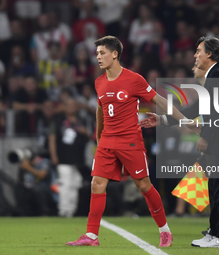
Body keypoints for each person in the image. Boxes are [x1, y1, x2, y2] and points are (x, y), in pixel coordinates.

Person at [66, 36, 178, 247]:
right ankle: (91, 235)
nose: (98, 57)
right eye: (97, 53)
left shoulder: (134, 79)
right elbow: (100, 110)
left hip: (130, 141)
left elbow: (158, 100)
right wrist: (99, 138)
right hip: (107, 141)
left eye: (102, 53)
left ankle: (164, 230)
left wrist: (180, 119)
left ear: (115, 54)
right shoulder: (99, 82)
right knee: (96, 184)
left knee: (144, 186)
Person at [140, 36, 219, 248]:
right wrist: (163, 120)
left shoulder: (218, 75)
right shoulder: (215, 77)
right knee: (214, 187)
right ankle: (215, 232)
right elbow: (194, 110)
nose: (195, 55)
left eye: (198, 50)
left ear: (209, 54)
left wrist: (206, 137)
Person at [49, 98, 89, 217]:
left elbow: (89, 138)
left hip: (77, 159)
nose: (71, 108)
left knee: (76, 183)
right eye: (69, 105)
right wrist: (54, 155)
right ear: (64, 107)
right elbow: (52, 139)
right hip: (63, 158)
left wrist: (84, 132)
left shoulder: (81, 121)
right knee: (65, 184)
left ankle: (71, 210)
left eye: (74, 105)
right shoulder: (58, 121)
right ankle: (64, 210)